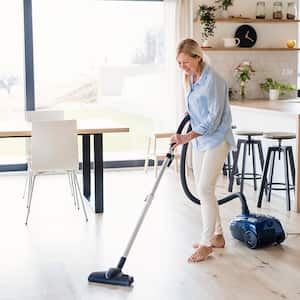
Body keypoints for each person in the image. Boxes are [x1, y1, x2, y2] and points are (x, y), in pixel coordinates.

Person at [171, 38, 236, 263]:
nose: (182, 67)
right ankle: (217, 236)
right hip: (201, 140)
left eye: (185, 62)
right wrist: (183, 133)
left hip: (217, 139)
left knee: (204, 187)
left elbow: (213, 119)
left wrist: (186, 136)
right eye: (179, 63)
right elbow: (196, 111)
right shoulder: (191, 78)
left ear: (198, 57)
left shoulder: (214, 81)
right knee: (203, 190)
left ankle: (206, 243)